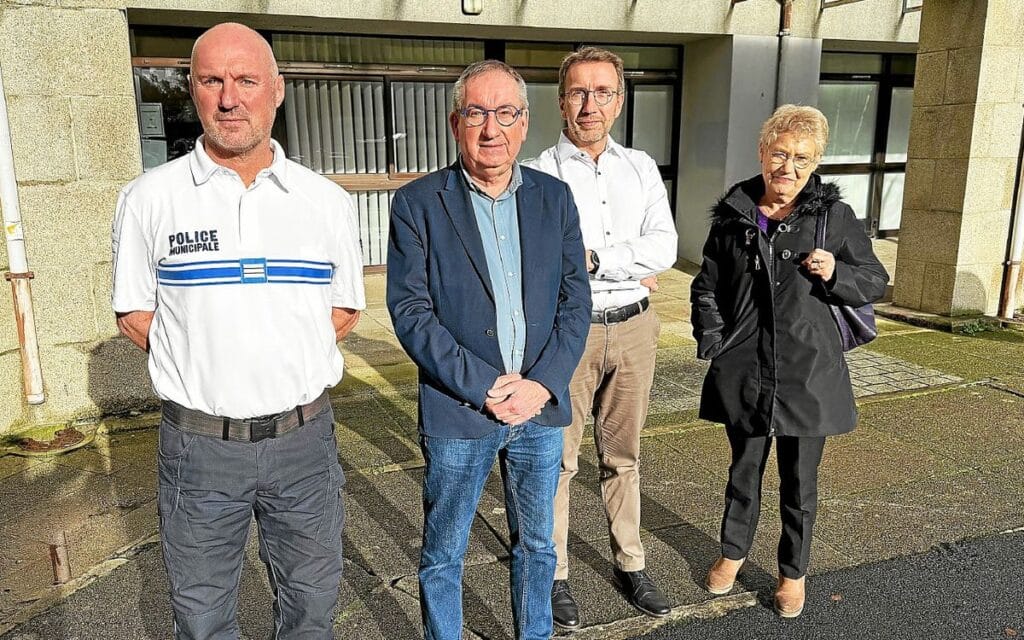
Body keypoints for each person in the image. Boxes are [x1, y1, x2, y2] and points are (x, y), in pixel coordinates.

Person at [111, 23, 365, 638]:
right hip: (199, 451)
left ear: (276, 90)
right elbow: (134, 313)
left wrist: (275, 350)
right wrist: (209, 354)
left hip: (304, 446)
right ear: (190, 90)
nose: (230, 98)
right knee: (202, 620)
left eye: (247, 80)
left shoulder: (324, 201)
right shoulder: (149, 198)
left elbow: (344, 309)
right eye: (212, 80)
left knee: (311, 612)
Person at [386, 60, 591, 640]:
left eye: (505, 113)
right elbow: (410, 312)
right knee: (445, 551)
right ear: (456, 123)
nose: (490, 128)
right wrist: (486, 386)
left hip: (539, 408)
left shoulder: (555, 198)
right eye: (476, 112)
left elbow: (576, 301)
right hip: (461, 408)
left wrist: (542, 383)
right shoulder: (419, 203)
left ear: (525, 123)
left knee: (538, 546)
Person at [690, 104, 888, 618]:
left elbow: (875, 280)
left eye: (802, 158)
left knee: (800, 483)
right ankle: (733, 553)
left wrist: (836, 272)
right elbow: (706, 286)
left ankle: (791, 573)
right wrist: (715, 340)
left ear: (817, 160)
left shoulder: (832, 217)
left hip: (809, 373)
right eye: (780, 154)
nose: (789, 168)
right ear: (762, 153)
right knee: (744, 470)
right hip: (747, 369)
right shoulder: (734, 216)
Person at [523, 47, 677, 629]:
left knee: (624, 457)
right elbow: (548, 258)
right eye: (579, 92)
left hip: (636, 327)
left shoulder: (639, 167)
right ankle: (555, 571)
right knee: (559, 461)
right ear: (561, 100)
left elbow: (663, 246)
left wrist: (591, 257)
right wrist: (616, 261)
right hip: (571, 332)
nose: (590, 105)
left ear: (619, 100)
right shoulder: (539, 172)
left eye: (603, 92)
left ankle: (630, 562)